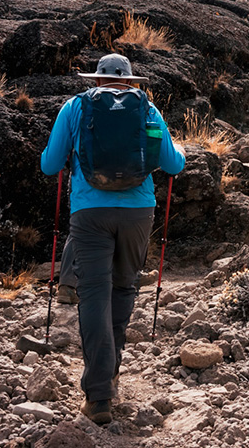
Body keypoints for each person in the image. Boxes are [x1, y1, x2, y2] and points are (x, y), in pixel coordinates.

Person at [40, 53, 186, 425]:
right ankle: (112, 372)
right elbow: (172, 165)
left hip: (89, 214)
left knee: (93, 295)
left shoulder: (74, 108)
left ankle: (99, 394)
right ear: (129, 81)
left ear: (97, 79)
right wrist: (180, 151)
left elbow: (49, 165)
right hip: (138, 212)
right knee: (123, 290)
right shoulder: (147, 111)